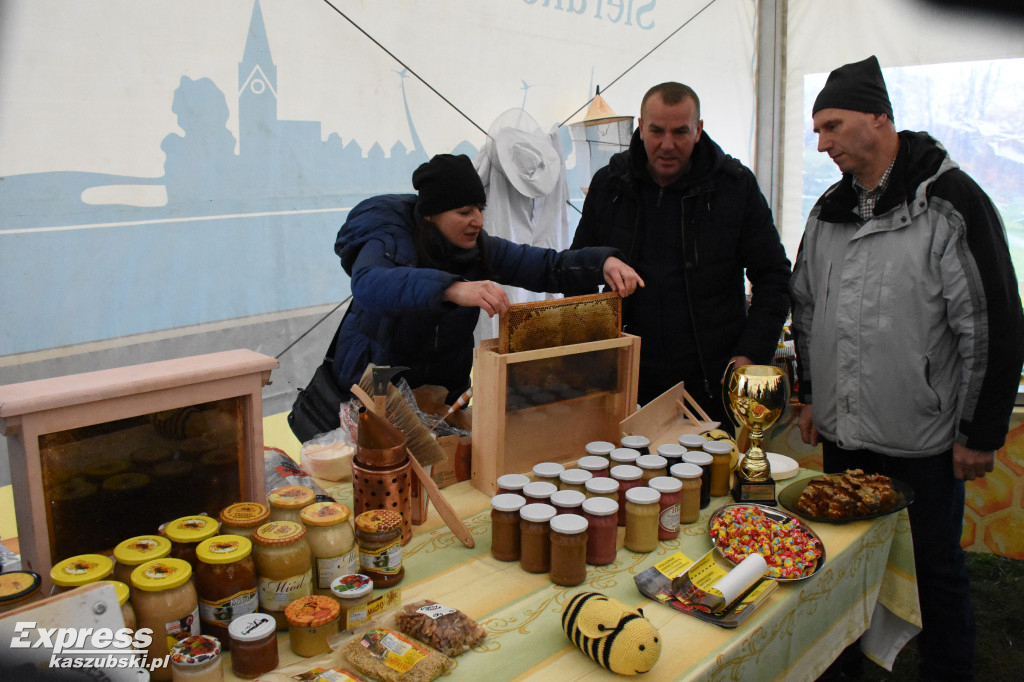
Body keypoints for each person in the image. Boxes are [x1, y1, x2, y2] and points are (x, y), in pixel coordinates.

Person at [790, 56, 1024, 681]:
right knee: (843, 565)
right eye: (817, 130)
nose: (823, 143)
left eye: (833, 125)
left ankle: (949, 669)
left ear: (879, 117)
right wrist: (811, 393)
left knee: (932, 569)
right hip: (843, 434)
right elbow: (807, 306)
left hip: (920, 437)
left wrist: (980, 432)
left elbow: (994, 320)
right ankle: (842, 669)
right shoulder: (829, 212)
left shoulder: (950, 203)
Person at [332, 153, 644, 404]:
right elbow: (369, 283)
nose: (478, 222)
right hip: (375, 392)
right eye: (464, 212)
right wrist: (451, 288)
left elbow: (546, 266)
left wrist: (601, 262)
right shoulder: (390, 238)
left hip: (443, 397)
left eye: (480, 209)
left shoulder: (479, 249)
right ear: (431, 214)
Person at [570, 82, 791, 422]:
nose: (667, 145)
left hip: (710, 386)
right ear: (640, 128)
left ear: (699, 130)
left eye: (680, 132)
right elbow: (576, 271)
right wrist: (588, 352)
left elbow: (774, 276)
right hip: (625, 384)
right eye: (656, 131)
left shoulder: (734, 187)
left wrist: (750, 353)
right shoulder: (610, 184)